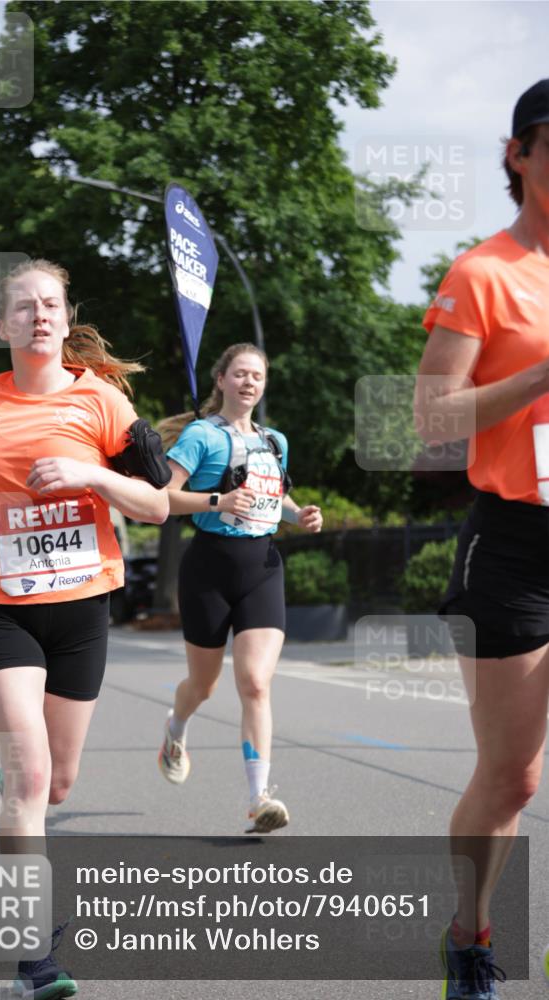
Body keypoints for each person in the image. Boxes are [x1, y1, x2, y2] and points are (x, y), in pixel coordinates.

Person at [0, 259, 169, 998]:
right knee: (31, 776)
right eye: (25, 306)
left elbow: (157, 506)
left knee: (56, 782)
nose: (38, 314)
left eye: (51, 305)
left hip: (81, 609)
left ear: (66, 321)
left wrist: (93, 476)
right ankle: (33, 957)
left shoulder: (102, 403)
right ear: (2, 325)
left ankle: (20, 779)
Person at [415, 79, 549, 999]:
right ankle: (468, 936)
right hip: (515, 546)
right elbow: (432, 418)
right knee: (511, 778)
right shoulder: (483, 274)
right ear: (519, 154)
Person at [157, 343, 323, 833]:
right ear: (221, 379)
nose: (249, 382)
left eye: (257, 376)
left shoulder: (275, 441)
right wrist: (217, 500)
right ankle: (176, 726)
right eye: (241, 374)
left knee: (254, 682)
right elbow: (161, 498)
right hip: (208, 571)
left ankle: (259, 798)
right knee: (203, 687)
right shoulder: (201, 435)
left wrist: (299, 514)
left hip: (263, 569)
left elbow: (276, 497)